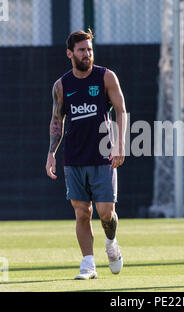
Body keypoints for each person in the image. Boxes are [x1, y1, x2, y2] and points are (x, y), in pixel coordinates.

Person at [46, 29, 127, 280]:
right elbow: (56, 121)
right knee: (82, 212)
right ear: (70, 53)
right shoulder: (61, 85)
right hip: (74, 158)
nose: (87, 54)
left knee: (105, 213)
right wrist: (51, 154)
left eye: (89, 49)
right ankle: (88, 264)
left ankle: (112, 244)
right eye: (82, 50)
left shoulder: (106, 77)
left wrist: (120, 145)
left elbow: (121, 111)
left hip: (103, 155)